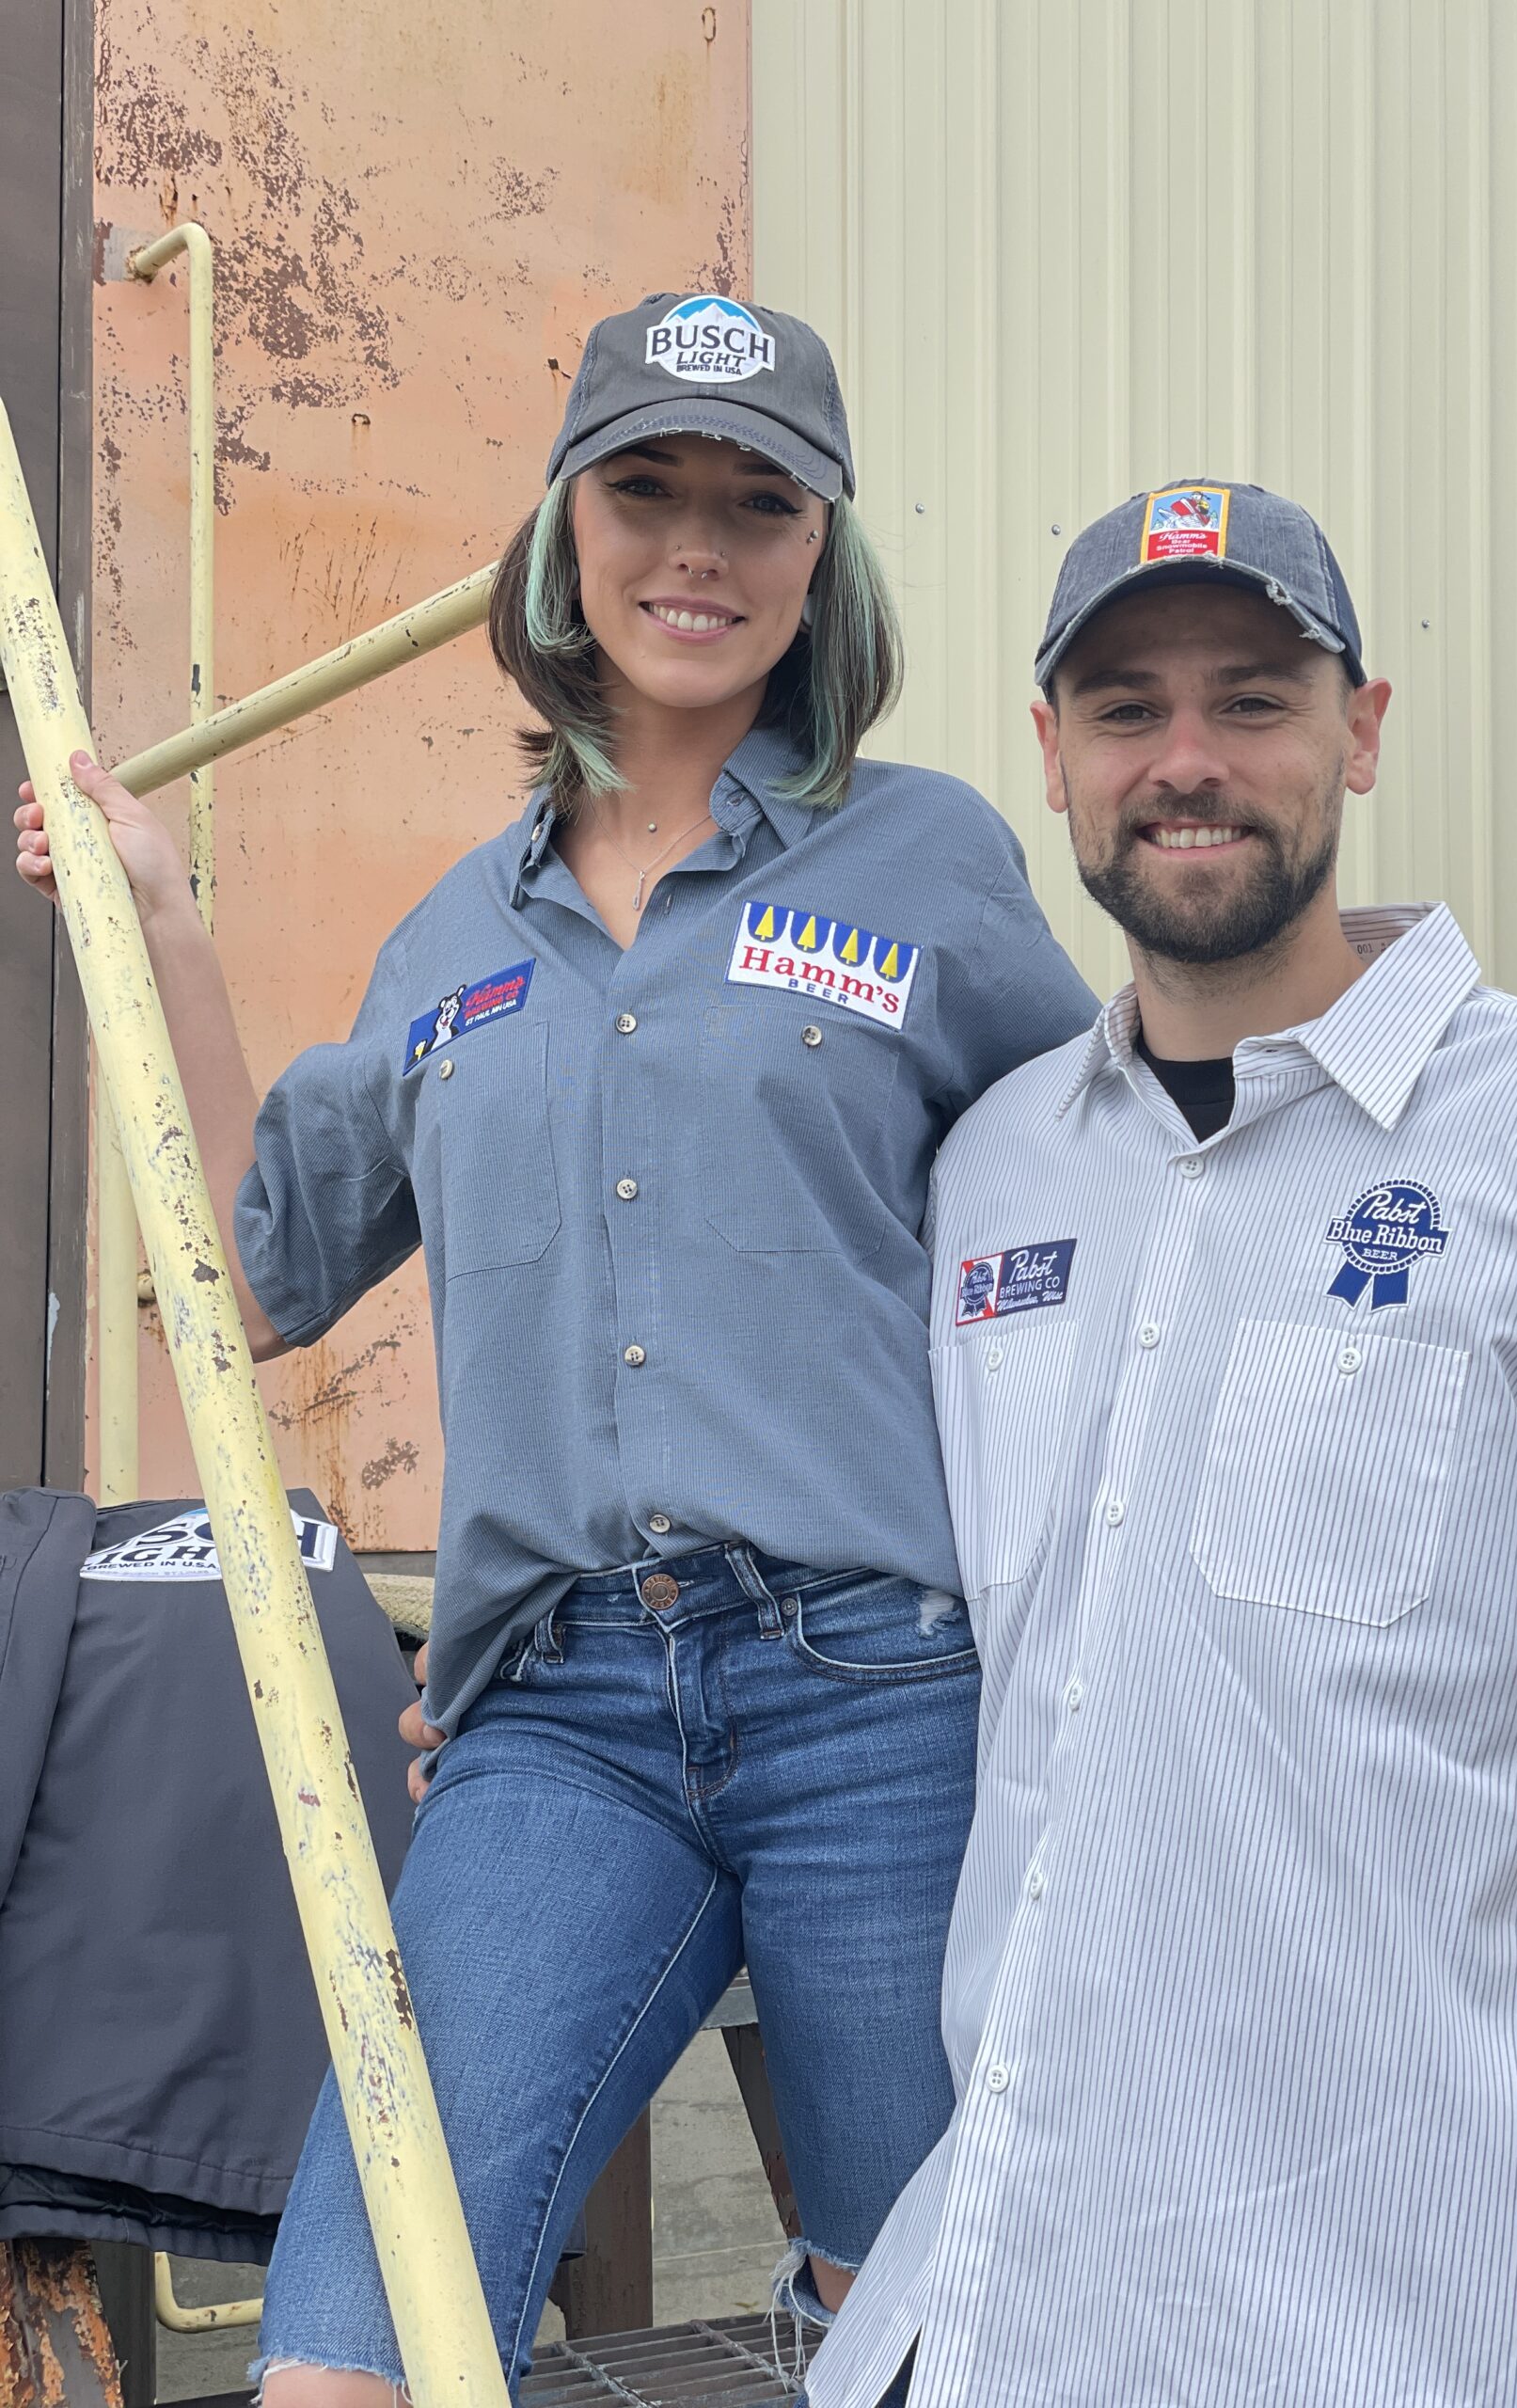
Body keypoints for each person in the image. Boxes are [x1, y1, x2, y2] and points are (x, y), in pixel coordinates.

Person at [13, 293, 1097, 2402]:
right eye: (648, 490)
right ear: (567, 530)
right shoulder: (450, 940)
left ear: (822, 554)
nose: (698, 546)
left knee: (914, 2341)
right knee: (347, 2349)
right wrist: (159, 921)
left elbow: (1103, 1216)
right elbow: (263, 1271)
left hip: (878, 1691)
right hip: (551, 1718)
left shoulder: (934, 864)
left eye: (756, 502)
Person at [802, 481, 1517, 2408]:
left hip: (1413, 2329)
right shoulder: (994, 1165)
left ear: (1362, 729)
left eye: (1253, 699)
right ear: (1052, 760)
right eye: (1126, 709)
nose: (1189, 762)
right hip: (991, 2307)